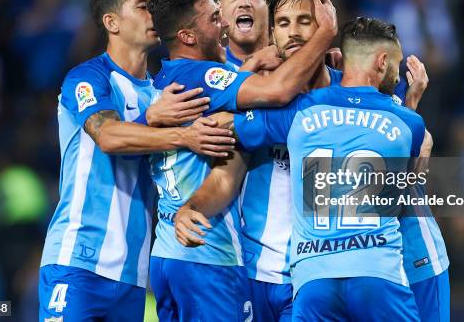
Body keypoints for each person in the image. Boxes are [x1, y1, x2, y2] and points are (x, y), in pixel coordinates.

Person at [177, 17, 424, 321]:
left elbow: (227, 126)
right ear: (382, 61)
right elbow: (406, 179)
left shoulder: (301, 109)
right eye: (397, 66)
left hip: (313, 278)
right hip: (377, 272)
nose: (398, 76)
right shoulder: (409, 123)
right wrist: (410, 103)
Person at [38, 0, 234, 322]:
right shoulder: (88, 78)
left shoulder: (163, 91)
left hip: (133, 275)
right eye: (144, 6)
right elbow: (109, 137)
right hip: (78, 261)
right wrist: (181, 134)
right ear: (111, 22)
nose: (153, 15)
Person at [145, 0, 337, 321]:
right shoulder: (235, 95)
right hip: (238, 268)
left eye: (307, 22)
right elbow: (225, 176)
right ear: (272, 34)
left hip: (319, 276)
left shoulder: (359, 98)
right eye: (284, 23)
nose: (226, 24)